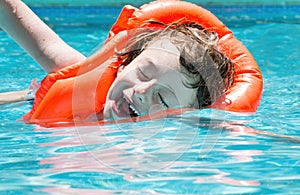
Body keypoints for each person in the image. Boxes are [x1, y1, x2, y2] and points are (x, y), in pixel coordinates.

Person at [0, 0, 234, 123]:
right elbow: (11, 12)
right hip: (32, 103)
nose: (142, 91)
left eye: (163, 98)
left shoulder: (188, 127)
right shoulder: (80, 78)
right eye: (142, 73)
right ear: (124, 64)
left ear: (184, 114)